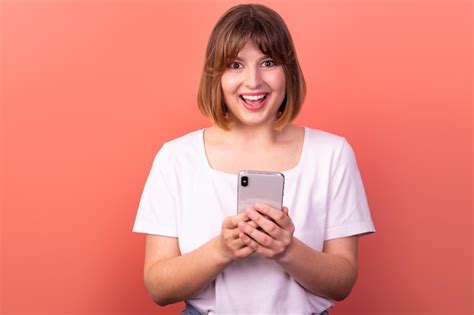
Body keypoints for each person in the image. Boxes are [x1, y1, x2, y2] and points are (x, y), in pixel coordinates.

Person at [132, 3, 375, 315]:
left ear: (288, 71)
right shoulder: (176, 158)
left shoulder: (332, 154)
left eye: (268, 62)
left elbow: (342, 282)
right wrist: (222, 249)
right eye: (235, 65)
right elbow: (158, 286)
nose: (253, 81)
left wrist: (287, 249)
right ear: (215, 75)